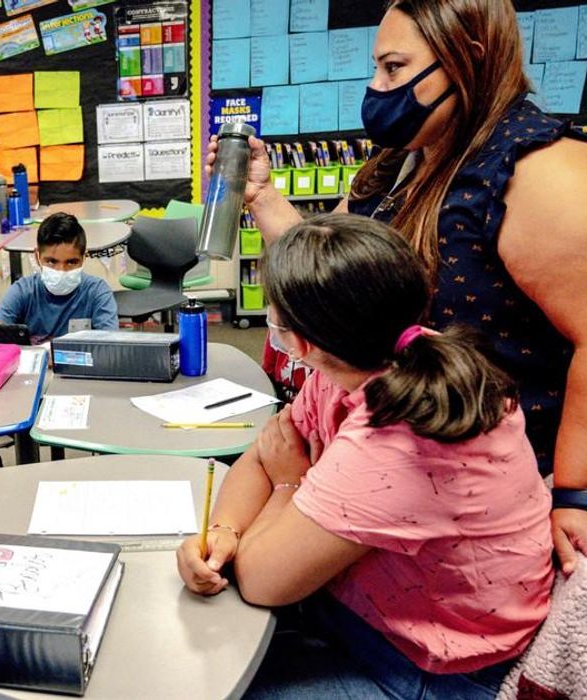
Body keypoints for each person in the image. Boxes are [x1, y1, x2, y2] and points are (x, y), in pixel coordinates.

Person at [216, 0, 587, 687]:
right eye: (376, 67)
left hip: (560, 454)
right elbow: (336, 276)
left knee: (571, 640)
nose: (377, 87)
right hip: (436, 447)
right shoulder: (409, 160)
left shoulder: (548, 171)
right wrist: (263, 199)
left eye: (394, 67)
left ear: (467, 61)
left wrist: (576, 497)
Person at [178, 214, 554, 697]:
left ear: (300, 342)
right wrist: (223, 531)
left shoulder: (397, 439)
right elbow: (264, 455)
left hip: (432, 668)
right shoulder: (372, 360)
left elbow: (261, 582)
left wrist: (289, 483)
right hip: (366, 611)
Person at [0, 213, 117, 340]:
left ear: (84, 257)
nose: (61, 270)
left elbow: (111, 344)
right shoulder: (22, 291)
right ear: (37, 257)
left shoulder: (97, 292)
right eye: (51, 261)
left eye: (71, 262)